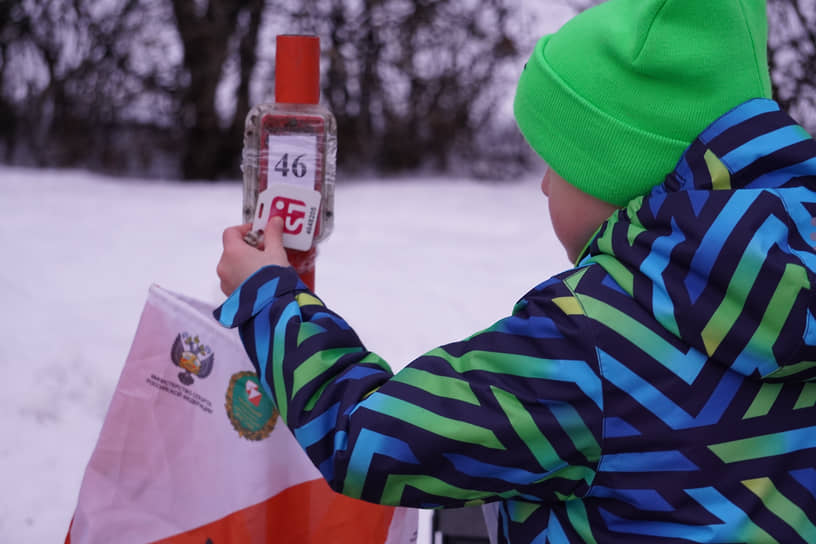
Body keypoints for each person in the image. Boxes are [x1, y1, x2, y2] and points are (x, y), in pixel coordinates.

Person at [215, 0, 816, 541]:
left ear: (621, 171)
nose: (543, 183)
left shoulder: (591, 347)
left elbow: (369, 439)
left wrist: (267, 296)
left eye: (558, 159)